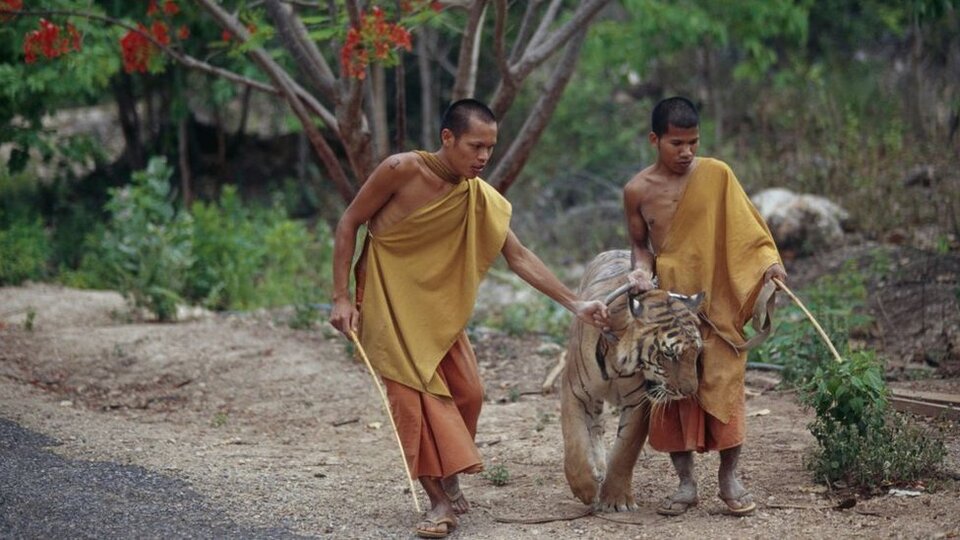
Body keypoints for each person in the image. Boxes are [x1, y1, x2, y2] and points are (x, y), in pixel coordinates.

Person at [329, 98, 609, 538]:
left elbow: (518, 256)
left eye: (490, 148)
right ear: (448, 138)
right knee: (413, 404)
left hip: (436, 312)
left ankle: (449, 473)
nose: (483, 157)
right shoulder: (400, 170)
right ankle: (438, 502)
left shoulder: (477, 196)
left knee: (469, 393)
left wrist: (575, 303)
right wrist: (341, 297)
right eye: (475, 146)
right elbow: (349, 222)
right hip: (388, 304)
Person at [623, 96, 787, 517]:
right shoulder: (637, 190)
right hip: (671, 306)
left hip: (717, 298)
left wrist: (768, 265)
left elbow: (748, 232)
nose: (687, 152)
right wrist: (640, 272)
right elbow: (640, 247)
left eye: (693, 142)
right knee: (675, 387)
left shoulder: (717, 175)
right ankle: (685, 484)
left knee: (723, 380)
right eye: (676, 143)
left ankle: (730, 479)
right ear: (654, 140)